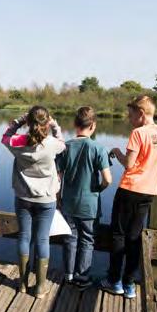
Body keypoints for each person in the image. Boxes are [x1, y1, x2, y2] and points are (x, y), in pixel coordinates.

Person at [99, 95, 157, 298]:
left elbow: (129, 164)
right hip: (148, 192)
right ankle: (130, 284)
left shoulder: (138, 133)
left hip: (129, 189)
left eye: (131, 114)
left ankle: (114, 281)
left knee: (118, 235)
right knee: (134, 237)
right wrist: (154, 163)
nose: (129, 118)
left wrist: (116, 151)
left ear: (141, 114)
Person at [1, 106, 65, 299]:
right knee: (43, 239)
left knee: (24, 237)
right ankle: (40, 287)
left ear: (29, 123)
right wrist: (55, 125)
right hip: (46, 200)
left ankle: (21, 284)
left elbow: (5, 136)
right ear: (46, 123)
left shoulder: (19, 141)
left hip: (23, 198)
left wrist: (18, 121)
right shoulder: (51, 143)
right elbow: (62, 142)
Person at [57, 107, 112, 289]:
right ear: (93, 126)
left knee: (70, 238)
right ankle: (82, 277)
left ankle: (69, 275)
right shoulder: (98, 148)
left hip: (68, 203)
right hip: (90, 205)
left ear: (75, 124)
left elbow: (57, 178)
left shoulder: (65, 148)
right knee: (87, 240)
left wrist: (58, 198)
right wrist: (97, 189)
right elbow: (108, 180)